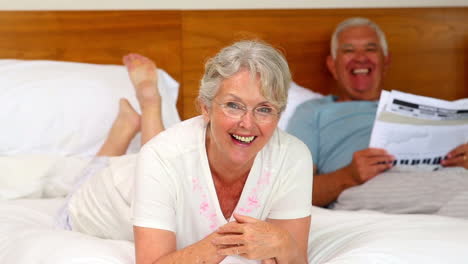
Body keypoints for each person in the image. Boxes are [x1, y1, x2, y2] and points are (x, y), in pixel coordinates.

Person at [59, 41, 313, 264]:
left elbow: (293, 257)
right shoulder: (161, 155)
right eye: (234, 105)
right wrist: (225, 244)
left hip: (159, 163)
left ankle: (134, 119)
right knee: (131, 161)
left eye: (264, 109)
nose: (248, 123)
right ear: (205, 108)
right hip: (102, 196)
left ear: (279, 115)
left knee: (159, 155)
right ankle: (139, 115)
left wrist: (283, 242)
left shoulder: (293, 157)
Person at [286, 17, 468, 208]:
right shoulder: (313, 111)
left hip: (445, 176)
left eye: (370, 49)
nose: (361, 57)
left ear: (386, 60)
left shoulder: (419, 108)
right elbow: (290, 193)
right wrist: (348, 176)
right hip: (370, 188)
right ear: (332, 65)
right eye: (348, 50)